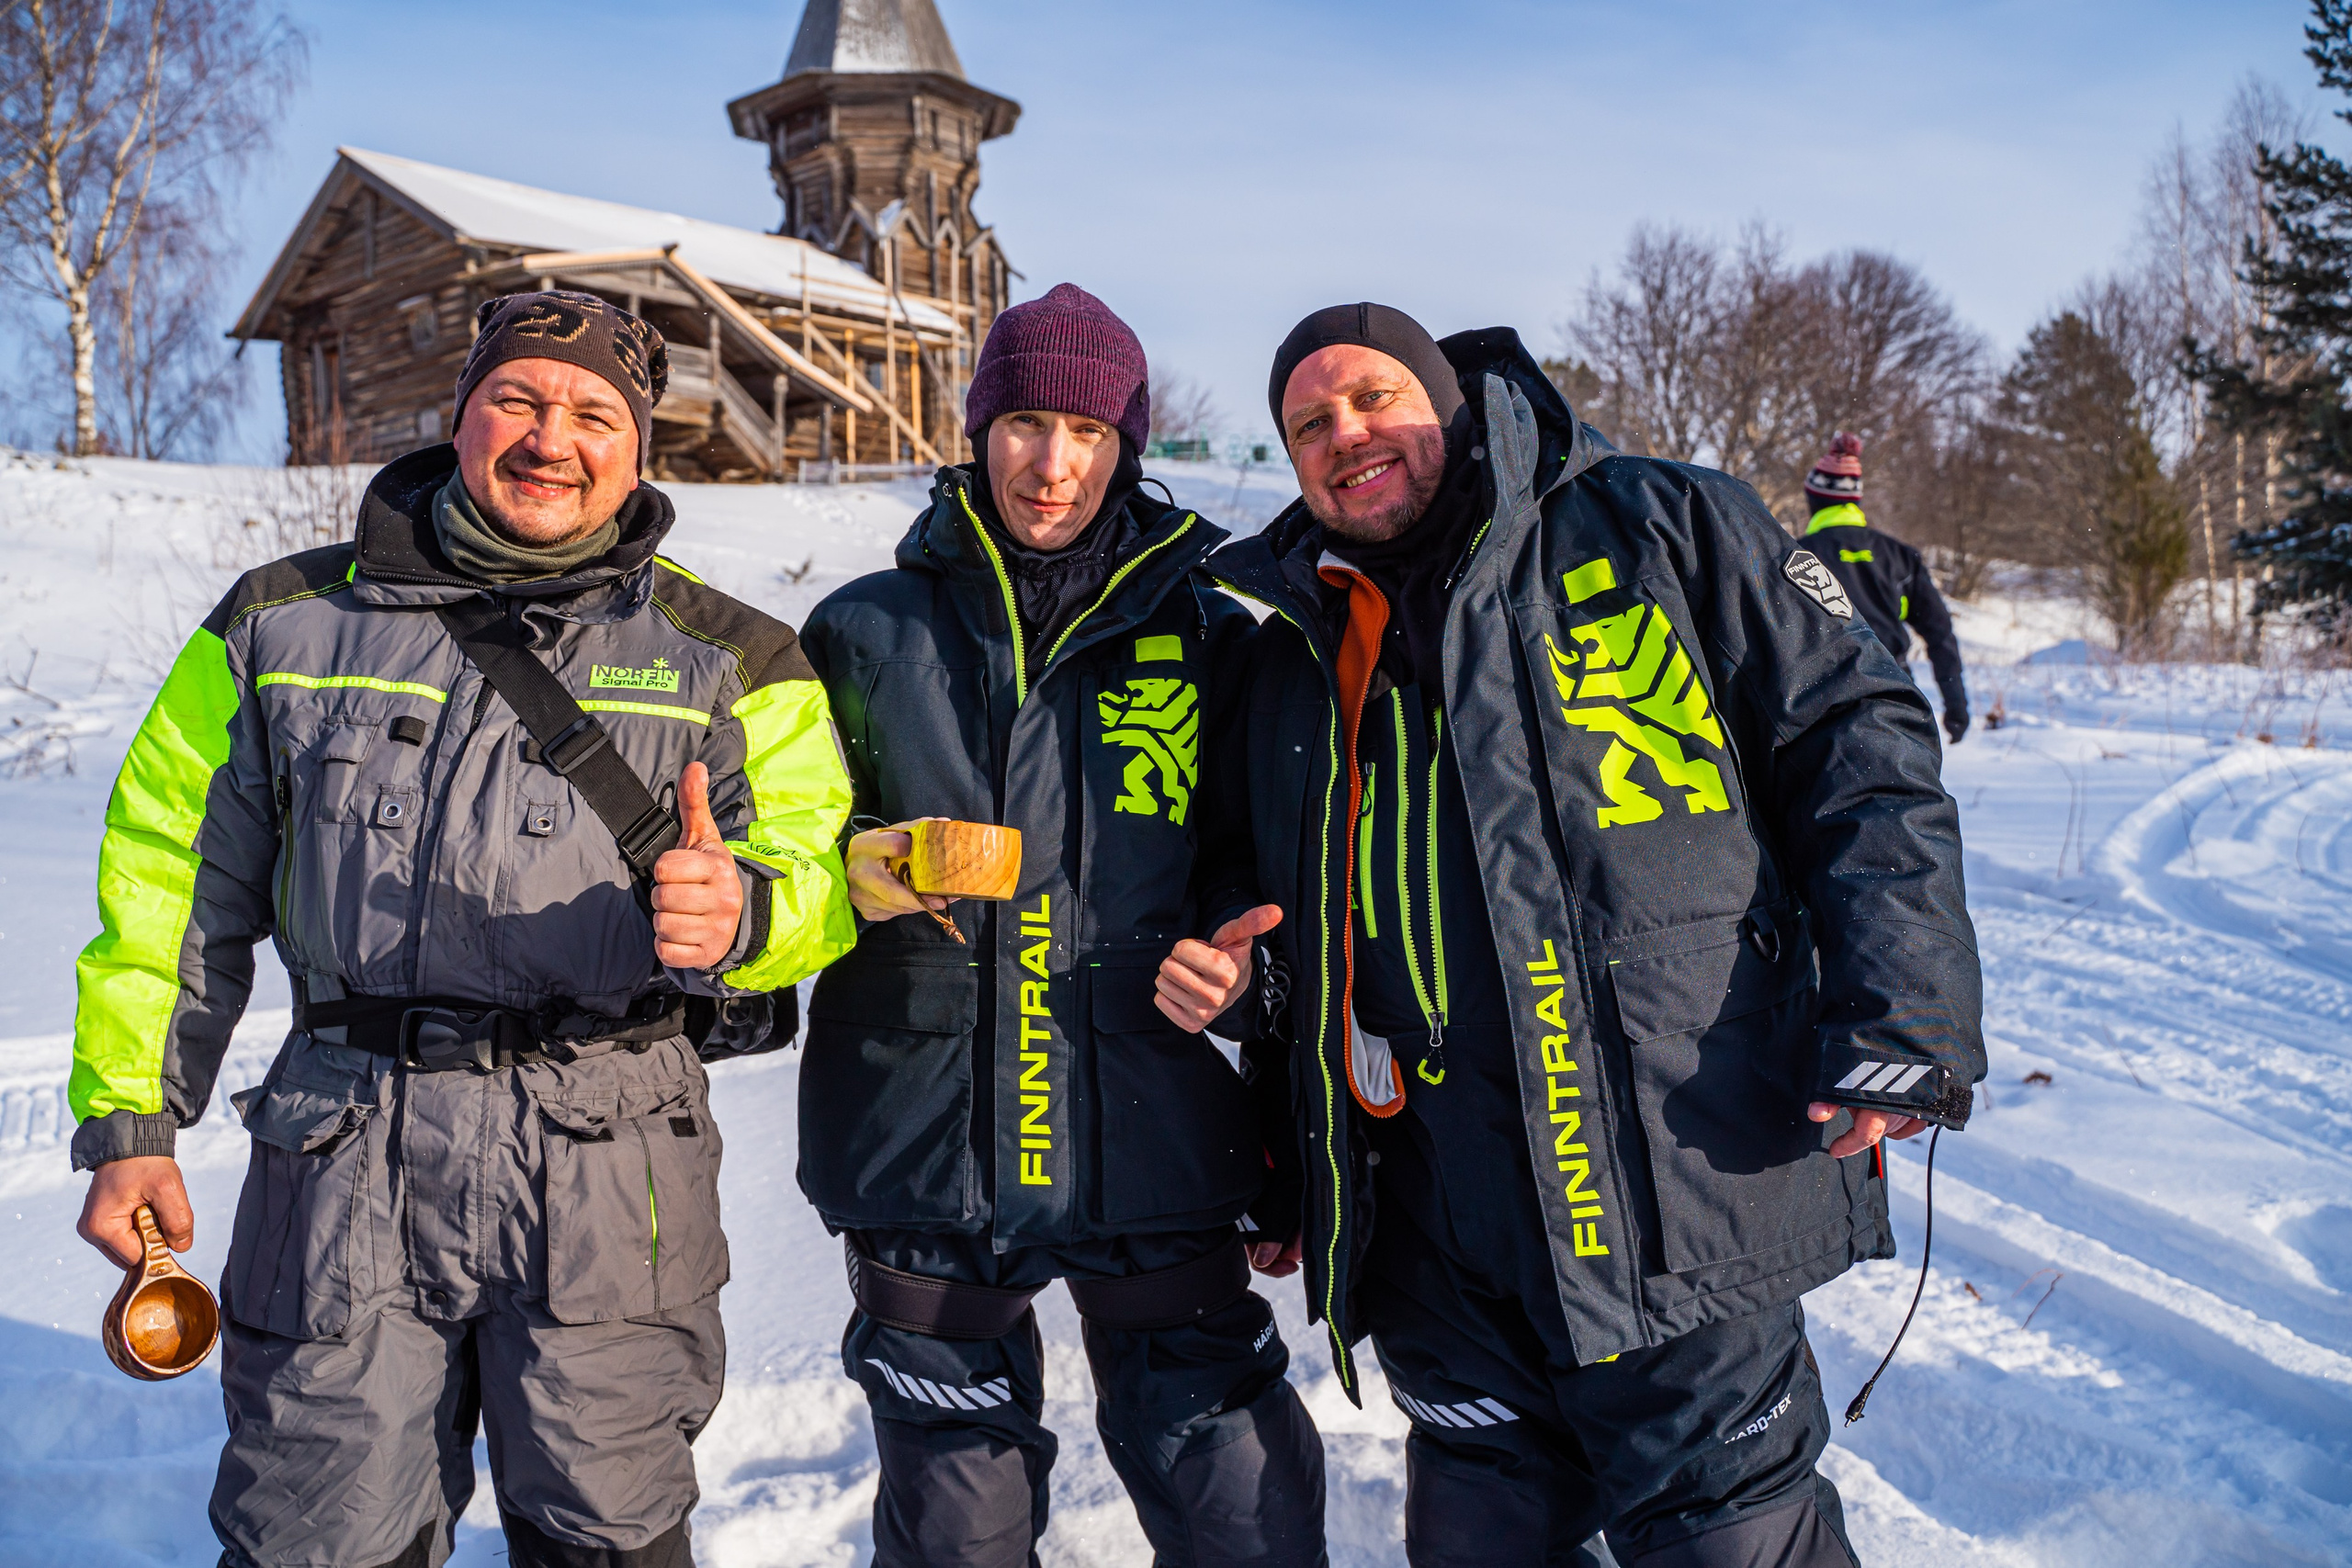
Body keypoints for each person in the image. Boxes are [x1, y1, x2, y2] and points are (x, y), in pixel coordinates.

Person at [67, 289, 857, 1568]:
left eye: (597, 412)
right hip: (343, 1160)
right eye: (521, 399)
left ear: (640, 448)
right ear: (462, 415)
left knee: (611, 1535)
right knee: (311, 1537)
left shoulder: (733, 657)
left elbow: (818, 875)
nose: (556, 437)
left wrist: (752, 908)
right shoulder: (279, 623)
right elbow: (169, 876)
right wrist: (131, 1118)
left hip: (611, 1171)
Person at [1206, 303, 1984, 1567]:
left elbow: (1860, 746)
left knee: (1737, 1545)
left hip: (1668, 1178)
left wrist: (1905, 1010)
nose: (1346, 434)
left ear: (1451, 403)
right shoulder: (1294, 645)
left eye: (1373, 398)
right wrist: (1287, 1147)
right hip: (1437, 1232)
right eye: (1309, 423)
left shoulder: (1657, 523)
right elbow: (1279, 924)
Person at [797, 282, 1326, 1568]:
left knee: (1245, 1514)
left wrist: (1241, 976)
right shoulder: (863, 630)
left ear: (1126, 446)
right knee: (955, 1541)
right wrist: (847, 875)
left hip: (1153, 1134)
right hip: (925, 1145)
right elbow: (779, 869)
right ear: (980, 429)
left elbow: (1265, 883)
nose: (1053, 461)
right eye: (1026, 420)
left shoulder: (1211, 637)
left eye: (1088, 431)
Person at [1801, 433, 1970, 745]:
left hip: (1821, 705)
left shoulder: (1794, 557)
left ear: (1813, 498)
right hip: (1896, 694)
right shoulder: (1900, 556)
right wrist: (1956, 705)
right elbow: (1940, 632)